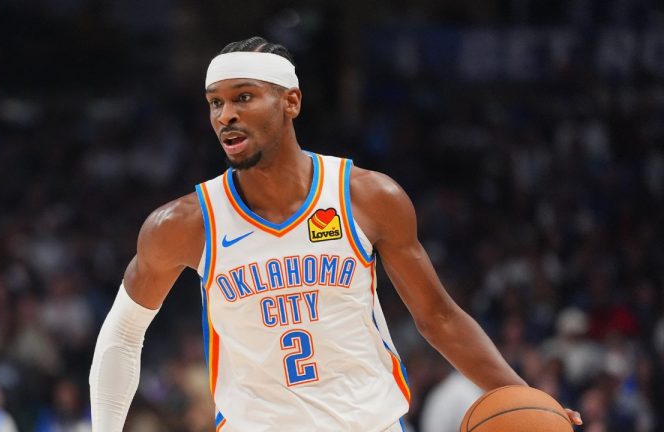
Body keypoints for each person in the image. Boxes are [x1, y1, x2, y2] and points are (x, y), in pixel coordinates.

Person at [89, 36, 583, 431]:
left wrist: (528, 398)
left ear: (291, 101)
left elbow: (438, 317)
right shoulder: (184, 223)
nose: (225, 115)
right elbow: (124, 333)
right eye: (215, 102)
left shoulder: (367, 197)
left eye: (243, 97)